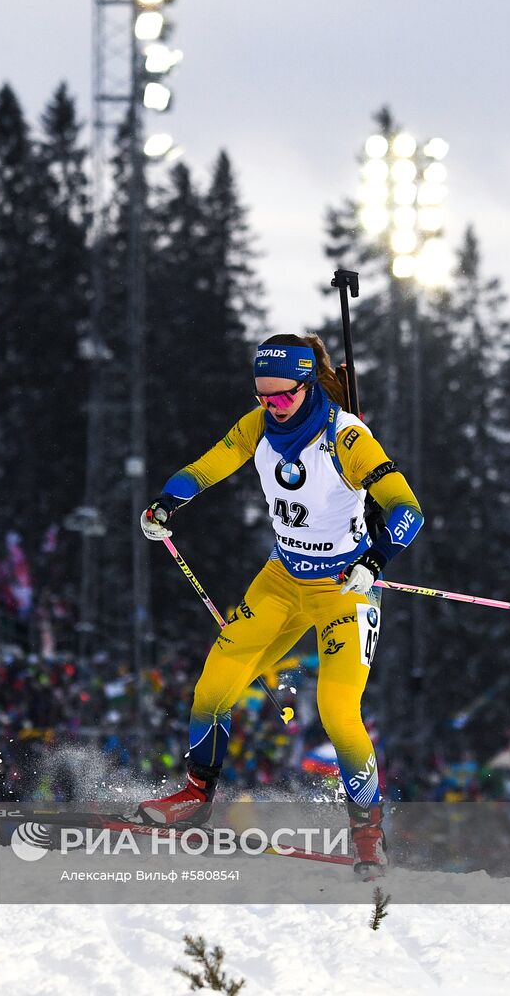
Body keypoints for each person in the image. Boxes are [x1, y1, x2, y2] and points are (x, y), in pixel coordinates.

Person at [137, 333, 423, 875]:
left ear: (308, 384)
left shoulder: (347, 438)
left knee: (339, 712)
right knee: (213, 686)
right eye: (262, 396)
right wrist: (165, 504)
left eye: (283, 396)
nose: (272, 407)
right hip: (281, 580)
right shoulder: (257, 427)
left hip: (343, 589)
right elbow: (205, 468)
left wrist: (376, 562)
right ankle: (197, 797)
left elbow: (408, 510)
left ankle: (367, 832)